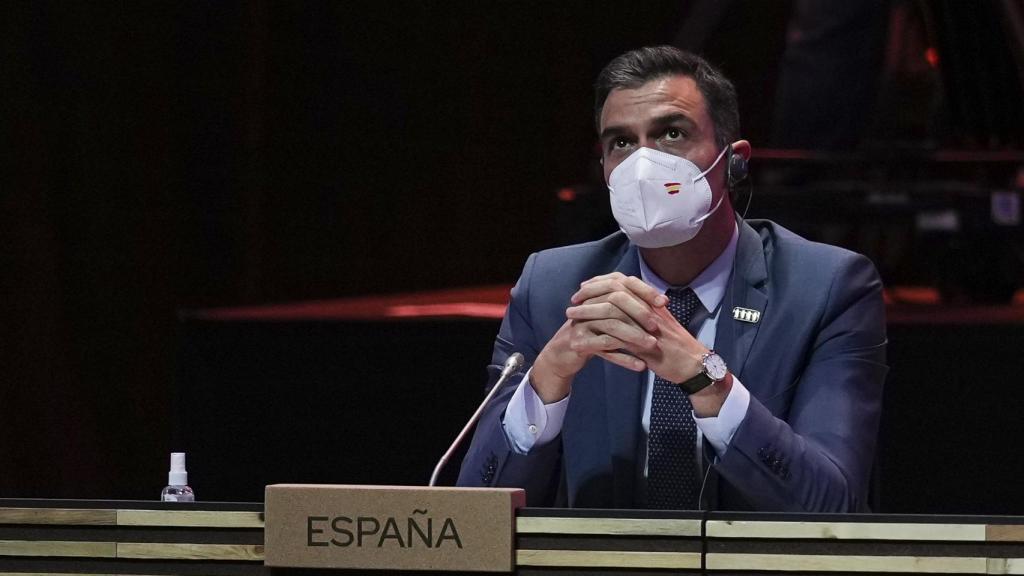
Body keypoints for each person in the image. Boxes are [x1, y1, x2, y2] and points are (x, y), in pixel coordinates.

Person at [457, 46, 887, 512]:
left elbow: (832, 504)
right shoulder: (552, 288)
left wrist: (706, 379)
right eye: (620, 142)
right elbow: (474, 516)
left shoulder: (826, 287)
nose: (644, 165)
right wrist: (545, 382)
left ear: (733, 161)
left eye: (671, 134)